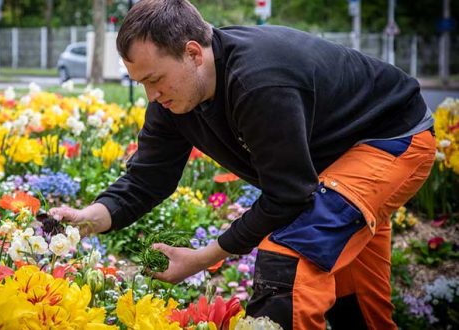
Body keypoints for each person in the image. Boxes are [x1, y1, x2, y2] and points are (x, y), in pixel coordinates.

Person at [49, 0, 436, 329]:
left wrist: (204, 257)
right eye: (141, 83)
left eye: (155, 79)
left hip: (390, 139)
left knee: (291, 259)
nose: (151, 96)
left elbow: (288, 196)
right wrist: (90, 218)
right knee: (359, 305)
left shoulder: (259, 83)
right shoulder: (173, 98)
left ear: (193, 54)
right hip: (326, 169)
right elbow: (149, 176)